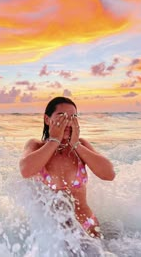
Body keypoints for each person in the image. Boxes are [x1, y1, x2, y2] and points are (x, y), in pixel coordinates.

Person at [19, 96, 115, 238]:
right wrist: (54, 141)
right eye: (62, 116)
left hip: (87, 227)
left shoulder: (81, 146)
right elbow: (26, 170)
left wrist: (76, 144)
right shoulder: (36, 146)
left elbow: (109, 174)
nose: (68, 122)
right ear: (47, 119)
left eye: (73, 117)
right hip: (52, 233)